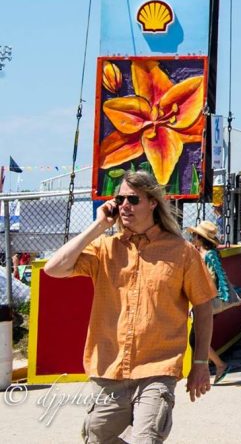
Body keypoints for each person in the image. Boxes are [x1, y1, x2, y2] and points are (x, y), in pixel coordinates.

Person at [44, 171, 217, 441]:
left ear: (152, 203)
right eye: (120, 199)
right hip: (109, 369)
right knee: (96, 438)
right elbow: (53, 268)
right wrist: (98, 226)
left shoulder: (182, 252)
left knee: (145, 438)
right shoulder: (105, 248)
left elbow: (204, 308)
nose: (125, 205)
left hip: (157, 370)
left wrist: (200, 363)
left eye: (133, 199)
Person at [187, 220, 233, 382]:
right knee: (196, 338)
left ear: (201, 238)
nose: (192, 238)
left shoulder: (210, 255)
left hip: (206, 302)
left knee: (197, 338)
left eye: (194, 235)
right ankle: (216, 366)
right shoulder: (201, 253)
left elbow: (212, 278)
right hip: (201, 301)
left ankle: (218, 366)